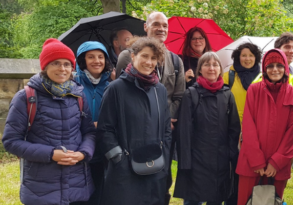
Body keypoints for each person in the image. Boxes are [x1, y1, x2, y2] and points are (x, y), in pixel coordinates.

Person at [3, 38, 97, 205]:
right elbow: (11, 141)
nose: (62, 68)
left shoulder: (78, 95)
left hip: (78, 185)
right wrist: (51, 154)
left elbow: (89, 132)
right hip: (41, 190)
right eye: (55, 63)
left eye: (67, 64)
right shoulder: (26, 97)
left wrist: (83, 153)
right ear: (45, 67)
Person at [98, 37, 174, 205]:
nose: (149, 62)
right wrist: (119, 160)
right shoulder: (115, 89)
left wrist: (165, 157)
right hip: (125, 174)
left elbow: (166, 129)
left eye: (154, 58)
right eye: (144, 56)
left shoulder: (160, 90)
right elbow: (105, 130)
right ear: (133, 56)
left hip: (155, 168)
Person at [173, 52, 241, 205]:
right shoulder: (191, 93)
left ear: (220, 69)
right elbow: (184, 130)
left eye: (215, 64)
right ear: (200, 70)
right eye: (207, 64)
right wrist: (185, 160)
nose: (211, 68)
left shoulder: (227, 94)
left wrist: (231, 154)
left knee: (216, 199)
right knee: (193, 200)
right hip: (196, 159)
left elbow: (234, 128)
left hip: (220, 160)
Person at [236, 49, 293, 205]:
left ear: (285, 67)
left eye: (279, 65)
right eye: (270, 65)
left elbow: (292, 132)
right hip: (251, 163)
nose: (274, 69)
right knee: (246, 201)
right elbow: (248, 126)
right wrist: (257, 161)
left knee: (273, 201)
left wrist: (276, 162)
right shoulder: (254, 90)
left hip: (278, 166)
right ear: (264, 69)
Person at [115, 11, 186, 135]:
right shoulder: (127, 56)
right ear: (145, 27)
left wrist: (165, 118)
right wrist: (152, 120)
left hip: (166, 129)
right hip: (135, 128)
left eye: (165, 26)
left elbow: (179, 97)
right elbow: (121, 95)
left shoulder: (176, 61)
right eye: (156, 24)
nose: (161, 29)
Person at [73, 41, 114, 205]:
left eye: (100, 56)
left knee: (100, 192)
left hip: (103, 148)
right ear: (82, 60)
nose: (97, 61)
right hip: (79, 146)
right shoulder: (73, 85)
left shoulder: (111, 85)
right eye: (91, 57)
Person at [223, 42, 262, 121]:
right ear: (238, 57)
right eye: (244, 55)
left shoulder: (262, 78)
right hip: (234, 125)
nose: (247, 59)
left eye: (251, 55)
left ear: (256, 58)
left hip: (255, 124)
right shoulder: (227, 77)